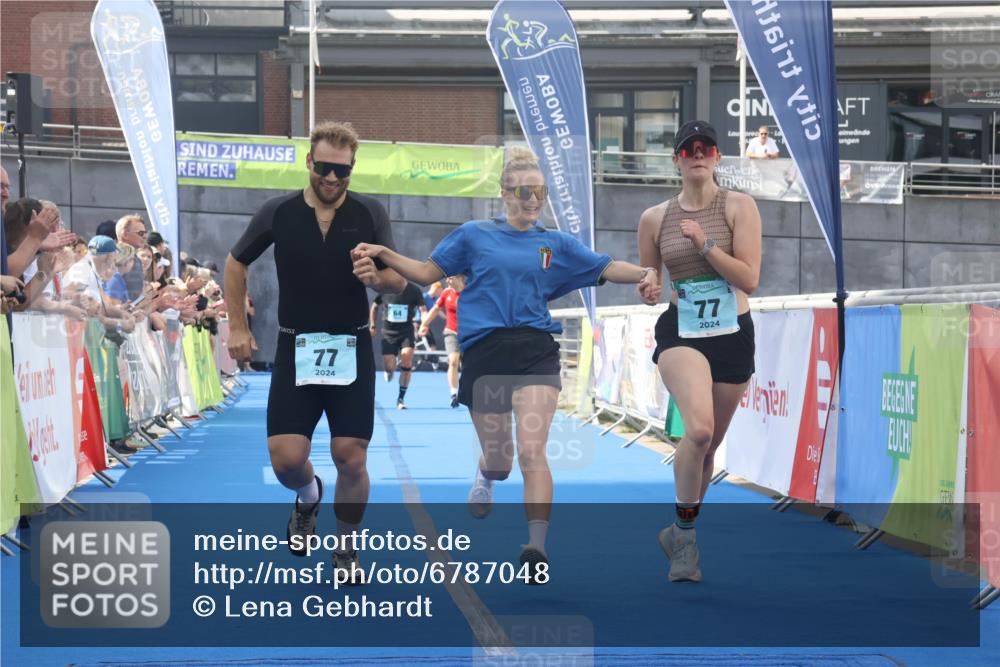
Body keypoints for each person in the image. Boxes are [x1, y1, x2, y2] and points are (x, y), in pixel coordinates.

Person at [352, 147, 659, 581]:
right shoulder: (474, 235)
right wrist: (385, 251)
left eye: (541, 192)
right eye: (524, 191)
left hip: (536, 349)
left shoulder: (554, 243)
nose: (533, 200)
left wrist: (646, 273)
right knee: (502, 460)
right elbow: (424, 273)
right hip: (486, 352)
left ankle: (536, 546)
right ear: (504, 194)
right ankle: (486, 474)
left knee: (534, 451)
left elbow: (605, 266)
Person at [225, 121, 405, 582]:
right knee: (286, 459)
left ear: (352, 169)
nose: (331, 178)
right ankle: (308, 496)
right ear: (309, 161)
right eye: (324, 167)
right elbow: (235, 262)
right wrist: (238, 326)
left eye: (342, 171)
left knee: (351, 455)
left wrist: (375, 278)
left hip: (349, 344)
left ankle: (346, 548)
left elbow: (398, 281)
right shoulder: (278, 212)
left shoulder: (370, 213)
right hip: (295, 344)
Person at [638, 120, 762, 582]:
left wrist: (705, 243)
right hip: (682, 331)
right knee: (699, 431)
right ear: (675, 159)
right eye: (687, 149)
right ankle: (686, 547)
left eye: (705, 147)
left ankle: (678, 530)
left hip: (732, 329)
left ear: (717, 157)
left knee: (709, 449)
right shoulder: (654, 217)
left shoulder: (739, 206)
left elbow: (749, 279)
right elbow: (650, 275)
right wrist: (648, 287)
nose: (697, 154)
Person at [369, 280, 426, 410]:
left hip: (406, 332)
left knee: (407, 360)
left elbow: (423, 309)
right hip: (388, 333)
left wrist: (424, 323)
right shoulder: (385, 288)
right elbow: (375, 306)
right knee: (390, 365)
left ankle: (401, 398)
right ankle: (389, 371)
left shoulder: (414, 290)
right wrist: (372, 324)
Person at [418, 275, 464, 407]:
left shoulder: (470, 293)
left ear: (460, 279)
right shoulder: (446, 293)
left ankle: (465, 392)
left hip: (468, 333)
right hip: (451, 332)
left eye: (451, 278)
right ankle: (454, 395)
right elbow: (435, 309)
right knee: (453, 361)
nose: (448, 281)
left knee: (466, 366)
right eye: (447, 278)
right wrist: (424, 324)